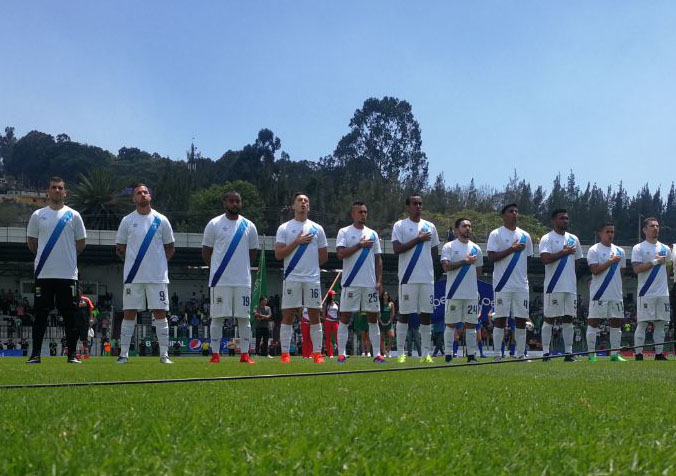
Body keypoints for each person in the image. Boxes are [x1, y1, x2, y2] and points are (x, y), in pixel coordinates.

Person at [25, 177, 86, 364]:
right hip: (44, 274)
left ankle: (72, 355)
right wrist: (45, 258)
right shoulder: (37, 215)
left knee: (71, 315)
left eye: (61, 188)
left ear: (65, 193)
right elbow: (31, 242)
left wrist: (66, 257)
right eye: (54, 188)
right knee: (40, 314)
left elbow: (81, 242)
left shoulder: (74, 215)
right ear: (47, 191)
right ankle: (35, 354)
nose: (57, 190)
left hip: (68, 275)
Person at [115, 184, 175, 364]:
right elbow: (120, 247)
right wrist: (135, 263)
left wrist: (158, 264)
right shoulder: (127, 220)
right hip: (133, 277)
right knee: (129, 313)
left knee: (160, 313)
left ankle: (164, 355)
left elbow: (170, 247)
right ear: (133, 198)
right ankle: (123, 354)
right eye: (138, 193)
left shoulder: (161, 219)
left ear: (150, 196)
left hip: (157, 277)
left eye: (145, 192)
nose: (142, 195)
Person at [202, 190, 259, 364]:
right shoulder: (214, 224)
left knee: (244, 318)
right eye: (231, 201)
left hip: (242, 280)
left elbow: (253, 253)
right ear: (225, 203)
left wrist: (240, 268)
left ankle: (244, 355)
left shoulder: (249, 225)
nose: (235, 204)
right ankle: (216, 354)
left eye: (238, 201)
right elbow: (206, 251)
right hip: (220, 280)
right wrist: (216, 271)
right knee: (218, 317)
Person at [275, 193, 328, 363]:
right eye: (299, 200)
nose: (303, 203)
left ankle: (318, 353)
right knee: (288, 315)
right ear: (293, 206)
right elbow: (278, 254)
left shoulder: (317, 229)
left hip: (312, 279)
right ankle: (285, 354)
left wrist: (310, 268)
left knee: (315, 314)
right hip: (291, 277)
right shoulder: (284, 228)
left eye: (306, 201)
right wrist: (297, 242)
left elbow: (323, 256)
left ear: (309, 206)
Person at [335, 201, 385, 363]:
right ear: (353, 214)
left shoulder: (373, 234)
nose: (363, 215)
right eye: (360, 212)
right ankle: (341, 353)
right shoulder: (344, 232)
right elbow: (340, 254)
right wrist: (359, 245)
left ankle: (377, 354)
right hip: (351, 283)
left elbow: (378, 259)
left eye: (365, 212)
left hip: (369, 284)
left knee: (372, 318)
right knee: (345, 317)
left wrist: (378, 281)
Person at [392, 195, 440, 363]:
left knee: (426, 315)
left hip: (426, 278)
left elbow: (435, 253)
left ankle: (425, 354)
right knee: (404, 314)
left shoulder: (430, 226)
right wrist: (418, 240)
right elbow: (397, 248)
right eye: (415, 203)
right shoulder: (400, 225)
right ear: (408, 207)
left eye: (420, 203)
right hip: (407, 277)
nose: (418, 206)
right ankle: (400, 353)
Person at [486, 204, 533, 361]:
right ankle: (498, 354)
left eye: (516, 211)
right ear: (503, 215)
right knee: (500, 319)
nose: (514, 214)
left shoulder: (525, 236)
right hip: (502, 284)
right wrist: (512, 249)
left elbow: (529, 258)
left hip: (521, 285)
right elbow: (492, 257)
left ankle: (520, 354)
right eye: (510, 212)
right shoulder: (496, 234)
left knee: (521, 319)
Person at [539, 209, 584, 362]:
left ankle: (568, 353)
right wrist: (563, 253)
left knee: (568, 319)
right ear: (554, 220)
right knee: (549, 319)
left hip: (570, 287)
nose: (565, 221)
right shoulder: (547, 238)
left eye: (566, 218)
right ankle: (546, 353)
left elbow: (578, 261)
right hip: (554, 286)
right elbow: (545, 259)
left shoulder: (574, 239)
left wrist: (571, 277)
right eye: (561, 218)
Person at [441, 218, 483, 363]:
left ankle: (471, 356)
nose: (467, 228)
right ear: (456, 230)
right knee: (451, 325)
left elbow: (478, 272)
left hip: (471, 294)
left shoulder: (477, 249)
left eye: (469, 226)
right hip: (454, 293)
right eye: (464, 226)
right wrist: (464, 262)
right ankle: (448, 355)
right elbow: (446, 267)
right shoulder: (449, 246)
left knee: (472, 325)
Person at [632, 217, 672, 361]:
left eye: (657, 226)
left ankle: (659, 354)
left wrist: (663, 283)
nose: (655, 228)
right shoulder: (639, 248)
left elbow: (668, 267)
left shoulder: (665, 248)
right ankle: (638, 354)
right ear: (644, 229)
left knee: (661, 323)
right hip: (645, 292)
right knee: (642, 323)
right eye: (652, 226)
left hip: (662, 293)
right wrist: (655, 262)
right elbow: (636, 269)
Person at [586, 222, 627, 362]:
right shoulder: (594, 250)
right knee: (593, 322)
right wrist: (610, 262)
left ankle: (615, 354)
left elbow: (621, 273)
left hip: (615, 293)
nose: (610, 234)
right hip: (599, 293)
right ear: (600, 233)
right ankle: (592, 354)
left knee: (616, 323)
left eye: (612, 232)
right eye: (607, 232)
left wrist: (618, 288)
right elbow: (595, 270)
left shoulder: (620, 251)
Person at [76, 287, 94, 359]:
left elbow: (90, 310)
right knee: (74, 337)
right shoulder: (73, 299)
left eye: (79, 291)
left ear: (81, 292)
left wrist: (91, 319)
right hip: (75, 321)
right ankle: (74, 352)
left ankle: (86, 352)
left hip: (84, 321)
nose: (78, 292)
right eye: (77, 291)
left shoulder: (86, 299)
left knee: (84, 337)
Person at [322, 290, 339, 358]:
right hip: (328, 321)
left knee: (338, 337)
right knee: (328, 338)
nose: (334, 296)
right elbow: (323, 314)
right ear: (330, 296)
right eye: (333, 295)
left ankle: (340, 352)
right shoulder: (326, 304)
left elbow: (338, 313)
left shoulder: (337, 303)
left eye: (335, 295)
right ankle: (330, 354)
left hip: (335, 322)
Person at [378, 292, 395, 358]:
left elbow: (392, 313)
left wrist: (389, 321)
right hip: (381, 323)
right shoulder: (380, 304)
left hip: (389, 323)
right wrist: (381, 322)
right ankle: (384, 352)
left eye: (387, 295)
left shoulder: (391, 304)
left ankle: (388, 352)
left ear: (388, 296)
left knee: (392, 336)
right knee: (382, 338)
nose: (385, 296)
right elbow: (378, 313)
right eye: (384, 295)